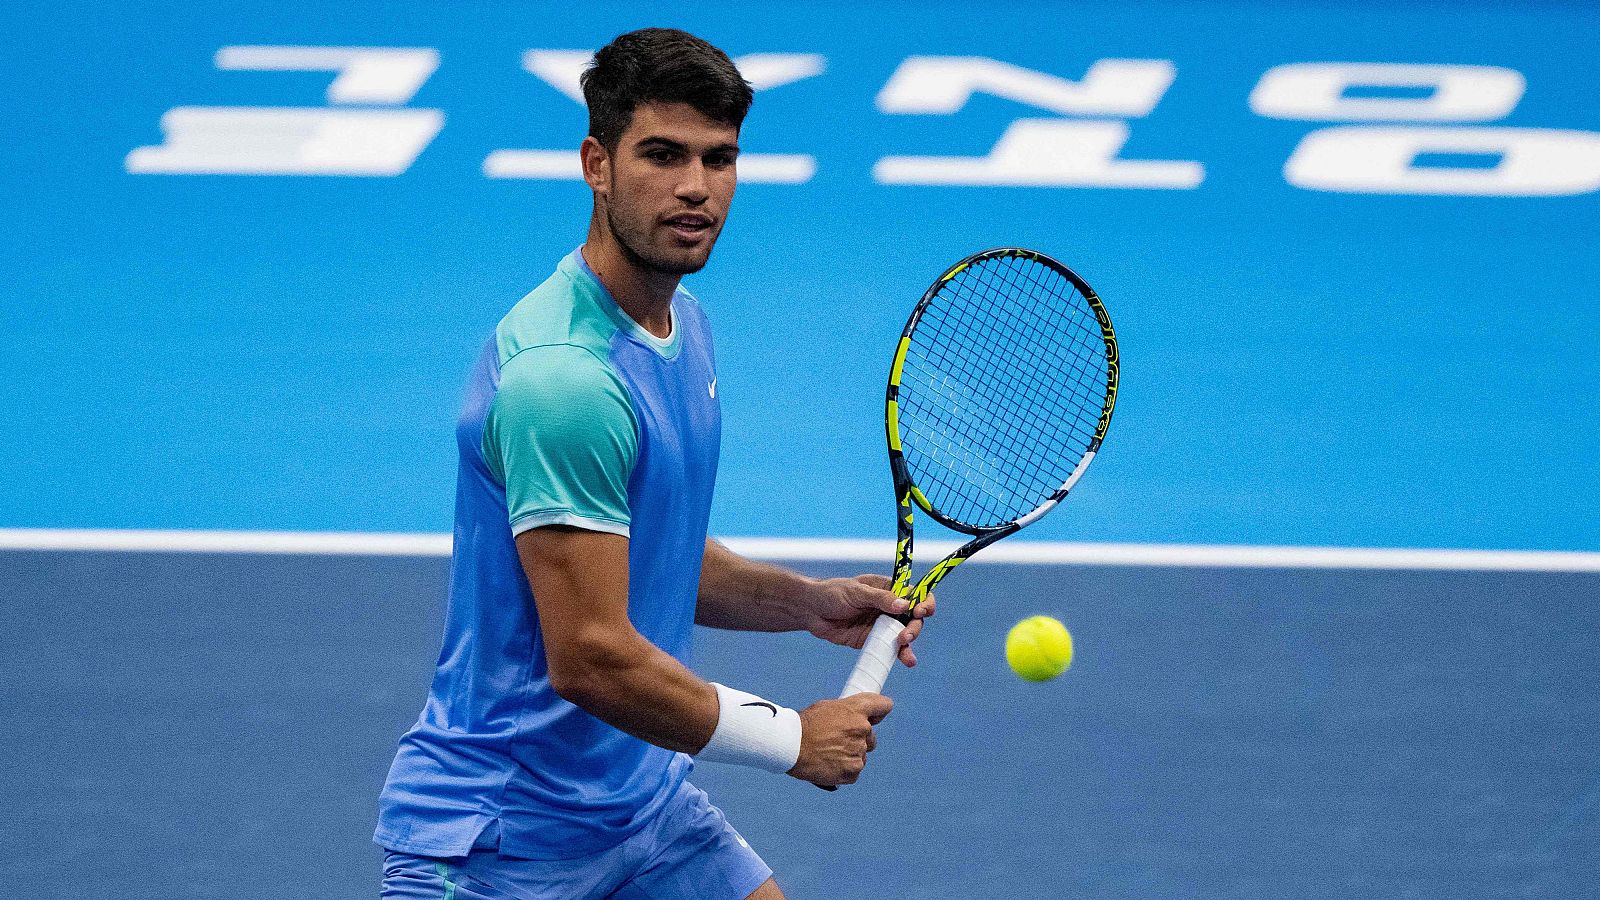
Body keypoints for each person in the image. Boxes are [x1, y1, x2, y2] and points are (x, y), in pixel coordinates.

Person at [375, 28, 933, 900]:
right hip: (503, 842)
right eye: (662, 156)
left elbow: (647, 554)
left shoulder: (685, 327)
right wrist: (791, 739)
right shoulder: (565, 381)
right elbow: (592, 655)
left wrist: (810, 602)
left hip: (647, 814)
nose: (695, 189)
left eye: (720, 160)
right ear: (596, 163)